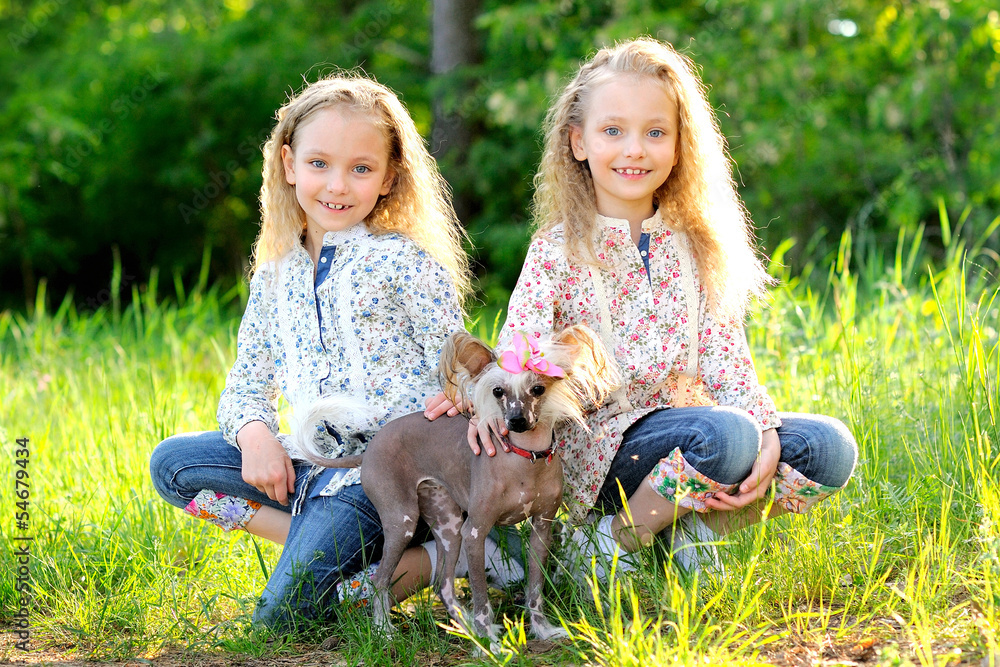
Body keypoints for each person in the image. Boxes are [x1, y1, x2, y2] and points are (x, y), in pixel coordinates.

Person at [426, 37, 857, 580]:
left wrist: (767, 433)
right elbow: (519, 352)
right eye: (614, 131)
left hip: (700, 433)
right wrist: (471, 396)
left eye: (655, 133)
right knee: (728, 437)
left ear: (679, 147)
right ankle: (613, 541)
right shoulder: (558, 248)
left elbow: (727, 357)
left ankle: (689, 529)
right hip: (603, 449)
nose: (635, 149)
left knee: (827, 448)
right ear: (578, 142)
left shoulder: (698, 243)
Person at [149, 72, 472, 626]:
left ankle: (454, 554)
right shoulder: (276, 272)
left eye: (361, 169)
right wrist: (254, 436)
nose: (337, 186)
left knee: (282, 617)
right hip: (306, 466)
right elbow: (246, 384)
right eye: (319, 164)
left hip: (385, 477)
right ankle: (314, 540)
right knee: (174, 466)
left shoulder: (405, 262)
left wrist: (456, 394)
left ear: (390, 177)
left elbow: (460, 365)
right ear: (289, 163)